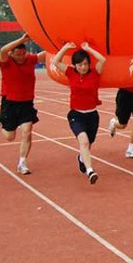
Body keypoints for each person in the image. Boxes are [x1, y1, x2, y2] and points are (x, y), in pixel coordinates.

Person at [52, 41, 106, 183]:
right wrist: (65, 48)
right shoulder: (70, 73)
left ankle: (82, 158)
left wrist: (88, 49)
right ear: (75, 65)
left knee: (89, 144)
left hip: (92, 115)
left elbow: (102, 60)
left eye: (85, 64)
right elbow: (56, 61)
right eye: (80, 65)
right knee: (84, 141)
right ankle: (90, 171)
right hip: (76, 114)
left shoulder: (95, 73)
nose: (83, 67)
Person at [0, 34, 46, 174]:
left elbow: (46, 54)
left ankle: (22, 162)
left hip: (26, 103)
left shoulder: (29, 60)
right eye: (18, 54)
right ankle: (1, 120)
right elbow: (2, 50)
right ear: (12, 54)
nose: (21, 57)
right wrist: (21, 40)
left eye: (23, 54)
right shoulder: (6, 62)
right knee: (9, 137)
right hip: (10, 103)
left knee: (27, 132)